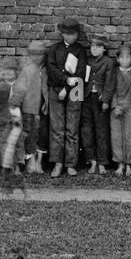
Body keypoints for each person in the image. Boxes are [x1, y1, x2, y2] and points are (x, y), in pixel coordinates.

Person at [47, 18, 87, 177]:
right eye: (69, 34)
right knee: (57, 129)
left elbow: (81, 72)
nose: (72, 37)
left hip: (74, 91)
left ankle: (71, 163)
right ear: (62, 34)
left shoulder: (80, 50)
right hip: (56, 90)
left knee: (72, 128)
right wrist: (64, 82)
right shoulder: (54, 49)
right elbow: (51, 69)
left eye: (75, 34)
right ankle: (57, 163)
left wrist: (67, 87)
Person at [12, 40, 50, 173]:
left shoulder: (47, 70)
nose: (36, 57)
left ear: (44, 55)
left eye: (40, 54)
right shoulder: (26, 70)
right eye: (33, 54)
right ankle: (31, 162)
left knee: (43, 134)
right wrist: (15, 104)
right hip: (29, 108)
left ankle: (39, 162)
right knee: (30, 135)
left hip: (44, 108)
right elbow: (19, 89)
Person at [82, 34, 115, 174]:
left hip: (100, 99)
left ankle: (102, 162)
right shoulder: (87, 60)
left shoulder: (108, 62)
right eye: (93, 46)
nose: (95, 49)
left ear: (104, 49)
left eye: (99, 46)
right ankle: (92, 160)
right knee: (87, 130)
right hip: (86, 97)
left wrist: (106, 100)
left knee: (101, 131)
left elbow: (110, 83)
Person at [109, 44, 131, 177]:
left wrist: (126, 104)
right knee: (116, 136)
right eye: (122, 57)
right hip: (115, 109)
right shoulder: (114, 72)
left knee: (130, 135)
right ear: (117, 59)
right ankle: (119, 164)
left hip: (129, 107)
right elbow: (111, 89)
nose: (125, 60)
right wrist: (115, 105)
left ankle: (128, 165)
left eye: (128, 57)